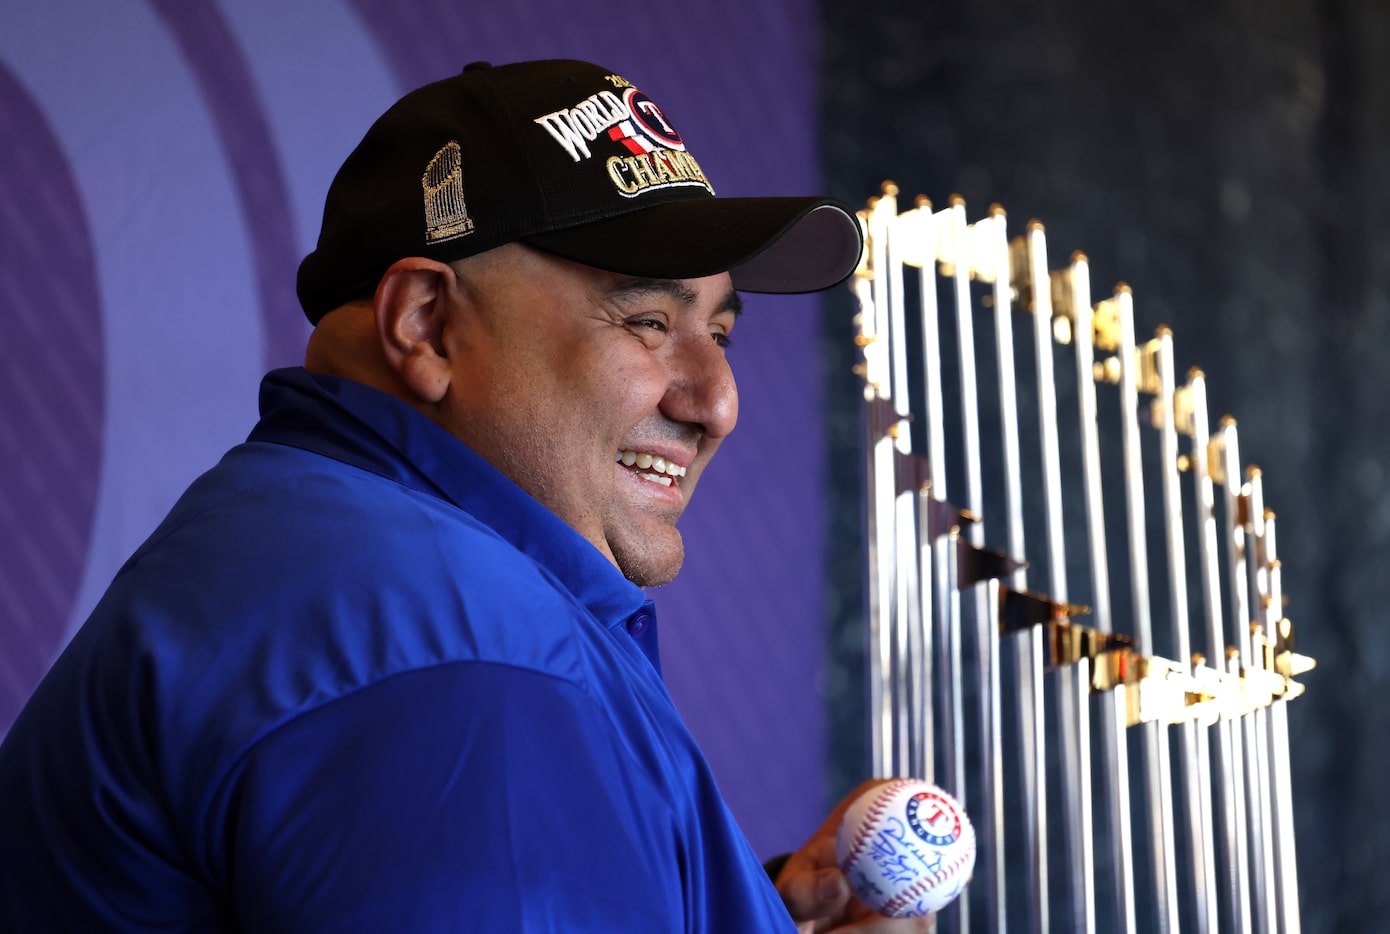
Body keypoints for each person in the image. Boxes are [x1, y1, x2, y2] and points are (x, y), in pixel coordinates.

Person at [0, 58, 925, 932]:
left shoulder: (332, 550)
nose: (715, 402)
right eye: (648, 322)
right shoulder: (462, 653)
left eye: (718, 332)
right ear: (426, 323)